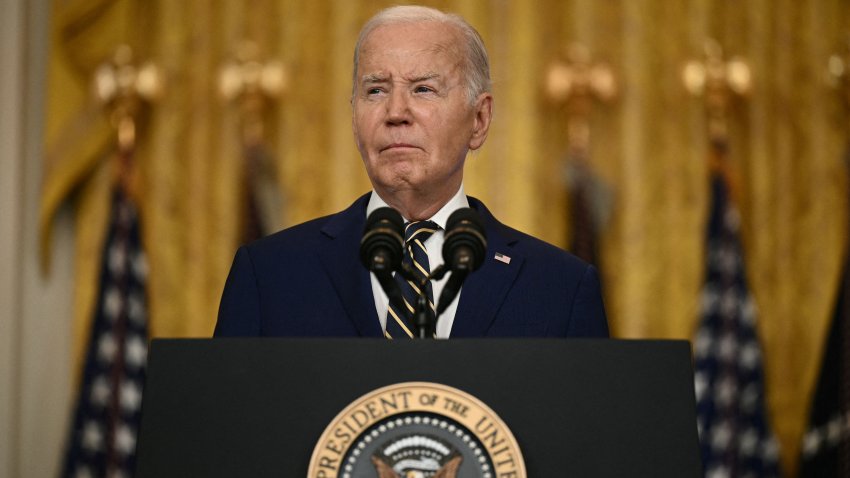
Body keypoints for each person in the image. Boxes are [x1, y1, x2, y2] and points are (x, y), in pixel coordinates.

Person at [214, 5, 608, 338]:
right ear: (354, 117)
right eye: (376, 90)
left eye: (423, 89)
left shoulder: (559, 288)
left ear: (479, 120)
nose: (396, 113)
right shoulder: (270, 275)